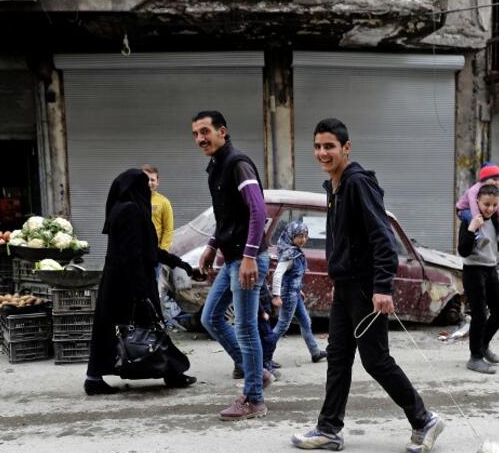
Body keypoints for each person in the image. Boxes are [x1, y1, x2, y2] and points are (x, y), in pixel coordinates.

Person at [291, 118, 443, 453]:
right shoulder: (335, 186)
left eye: (329, 146)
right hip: (345, 288)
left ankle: (424, 420)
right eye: (317, 146)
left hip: (364, 287)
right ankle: (329, 429)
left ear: (346, 147)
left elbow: (383, 239)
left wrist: (382, 287)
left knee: (375, 360)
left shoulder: (358, 183)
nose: (322, 152)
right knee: (338, 358)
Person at [83, 168, 201, 396]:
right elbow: (134, 254)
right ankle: (171, 372)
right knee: (154, 327)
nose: (148, 189)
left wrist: (180, 263)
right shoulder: (132, 211)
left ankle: (94, 378)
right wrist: (140, 293)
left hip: (116, 282)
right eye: (143, 185)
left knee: (109, 331)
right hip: (131, 283)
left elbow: (148, 249)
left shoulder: (119, 208)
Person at [192, 110, 273, 421]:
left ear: (222, 131)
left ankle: (254, 399)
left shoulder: (237, 163)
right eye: (195, 134)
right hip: (232, 259)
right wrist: (212, 246)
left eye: (205, 131)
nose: (200, 138)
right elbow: (228, 216)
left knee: (246, 328)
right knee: (211, 317)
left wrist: (250, 257)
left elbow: (258, 211)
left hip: (246, 259)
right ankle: (258, 373)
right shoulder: (216, 167)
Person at [458, 183, 499, 375]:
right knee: (480, 314)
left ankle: (483, 345)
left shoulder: (496, 221)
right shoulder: (470, 220)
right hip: (473, 271)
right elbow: (463, 251)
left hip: (491, 269)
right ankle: (475, 357)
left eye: (494, 205)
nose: (490, 209)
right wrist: (471, 229)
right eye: (486, 204)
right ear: (477, 202)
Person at [271, 220, 327, 363]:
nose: (303, 239)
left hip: (295, 293)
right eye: (300, 236)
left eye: (305, 236)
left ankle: (315, 352)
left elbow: (294, 276)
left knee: (306, 321)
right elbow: (277, 275)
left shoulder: (295, 252)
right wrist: (276, 296)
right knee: (282, 325)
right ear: (291, 236)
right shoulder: (289, 255)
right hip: (288, 295)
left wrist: (299, 290)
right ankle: (264, 356)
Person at [455, 162, 499, 249]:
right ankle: (478, 238)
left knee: (498, 220)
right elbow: (473, 204)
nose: (497, 183)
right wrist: (476, 220)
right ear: (485, 178)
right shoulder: (474, 190)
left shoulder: (494, 216)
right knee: (470, 217)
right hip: (463, 210)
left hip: (493, 259)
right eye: (494, 179)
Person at [142, 164, 174, 252]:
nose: (149, 183)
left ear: (157, 182)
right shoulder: (132, 200)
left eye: (152, 180)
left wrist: (162, 252)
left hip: (154, 252)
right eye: (145, 179)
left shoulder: (164, 202)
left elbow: (168, 230)